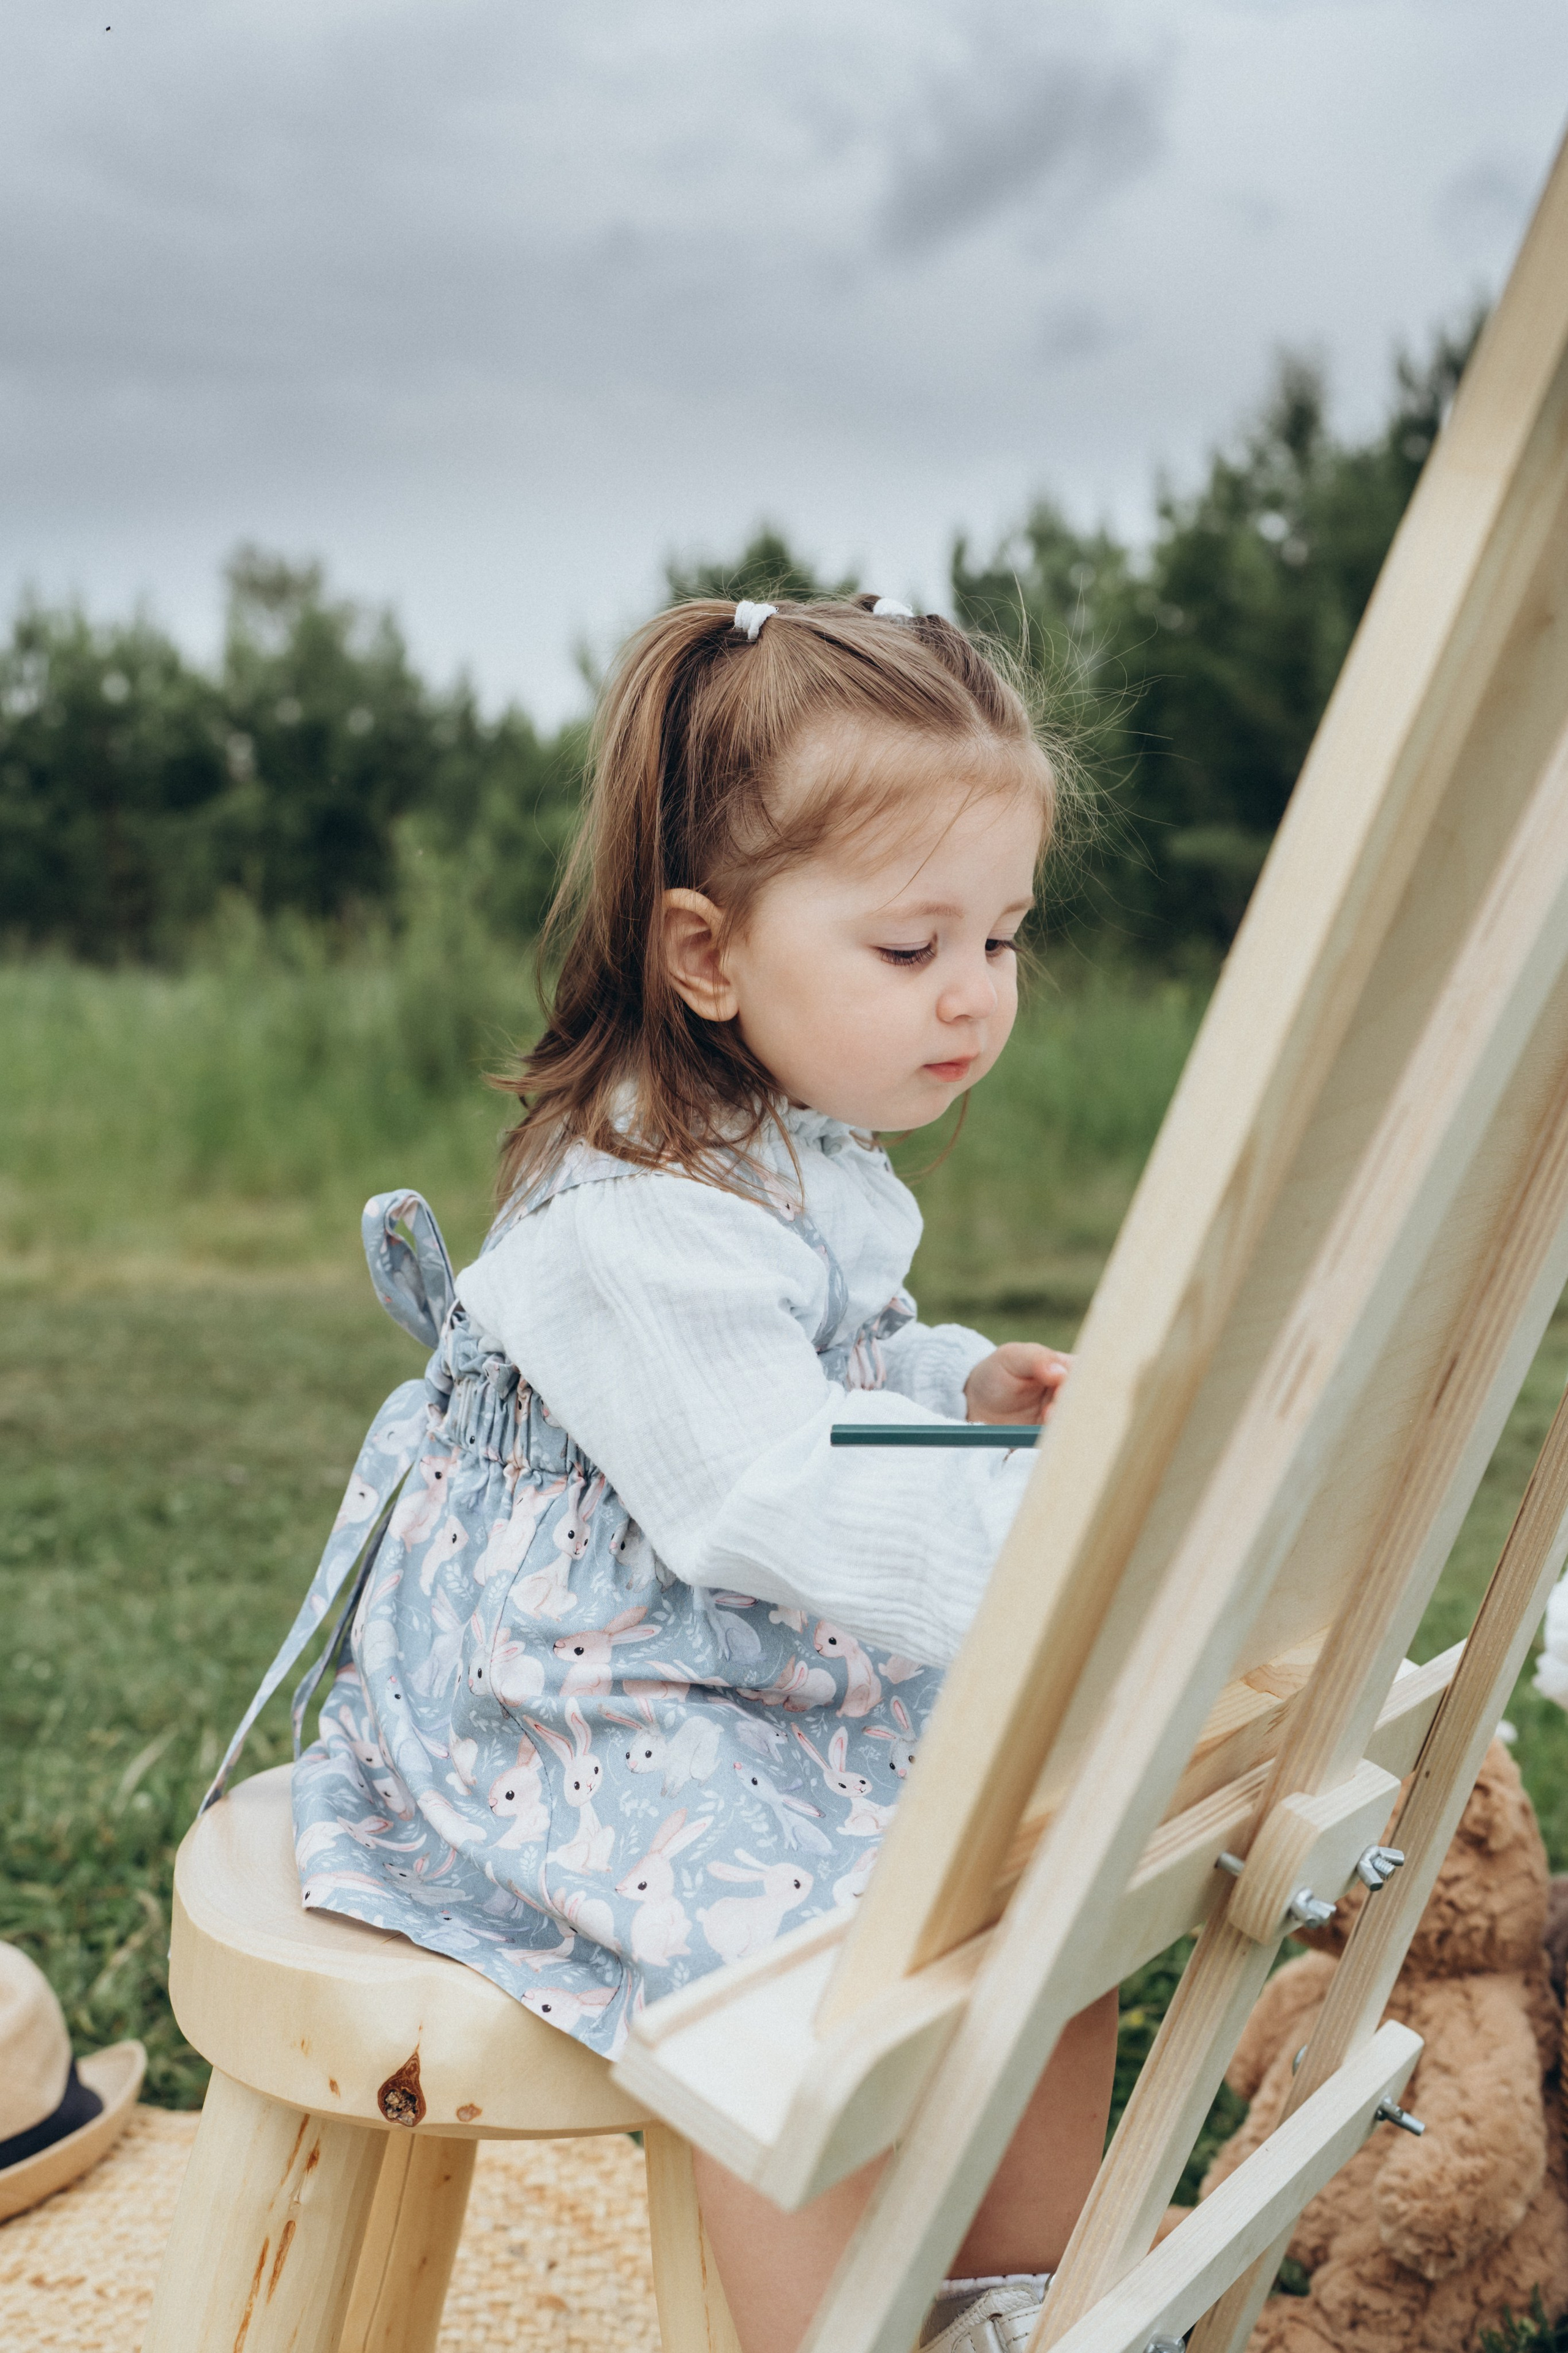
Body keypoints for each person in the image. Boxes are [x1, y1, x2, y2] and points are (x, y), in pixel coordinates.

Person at [217, 592, 1118, 2353]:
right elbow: (762, 1488)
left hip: (733, 1645)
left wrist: (951, 1380)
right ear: (708, 954)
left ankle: (1011, 2302)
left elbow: (826, 1360)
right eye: (911, 946)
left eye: (1003, 937)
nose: (975, 992)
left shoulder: (793, 1145)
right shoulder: (631, 1219)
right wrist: (1036, 1552)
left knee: (1033, 1857)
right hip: (566, 1693)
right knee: (781, 1957)